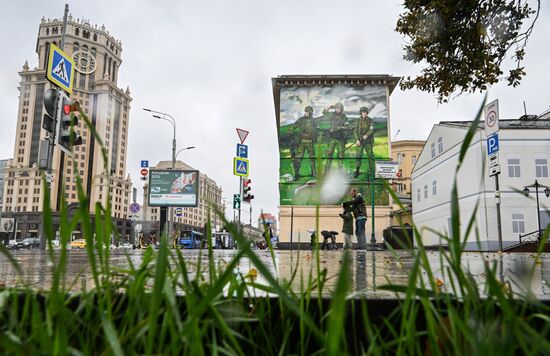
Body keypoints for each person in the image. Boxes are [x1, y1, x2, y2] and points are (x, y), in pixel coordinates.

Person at [291, 106, 318, 180]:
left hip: (310, 141)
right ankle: (296, 174)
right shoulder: (301, 120)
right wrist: (291, 129)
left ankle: (313, 172)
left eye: (307, 112)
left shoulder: (313, 121)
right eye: (305, 112)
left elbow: (316, 130)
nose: (306, 113)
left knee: (312, 157)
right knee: (298, 158)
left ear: (311, 113)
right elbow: (294, 125)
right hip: (302, 141)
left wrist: (314, 135)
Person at [323, 103, 348, 172]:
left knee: (340, 155)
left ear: (341, 109)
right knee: (329, 154)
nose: (337, 110)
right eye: (336, 108)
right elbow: (324, 112)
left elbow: (347, 126)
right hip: (332, 138)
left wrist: (341, 127)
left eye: (339, 108)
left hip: (341, 139)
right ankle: (326, 170)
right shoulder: (332, 114)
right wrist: (330, 106)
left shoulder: (344, 116)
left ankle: (339, 171)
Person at [354, 106, 374, 178]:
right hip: (360, 141)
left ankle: (372, 172)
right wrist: (357, 139)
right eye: (363, 112)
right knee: (358, 156)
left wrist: (366, 135)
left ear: (367, 113)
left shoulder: (370, 120)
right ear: (361, 113)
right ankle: (357, 170)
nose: (364, 113)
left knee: (370, 156)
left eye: (365, 112)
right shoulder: (358, 120)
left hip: (368, 141)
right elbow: (355, 130)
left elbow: (371, 129)